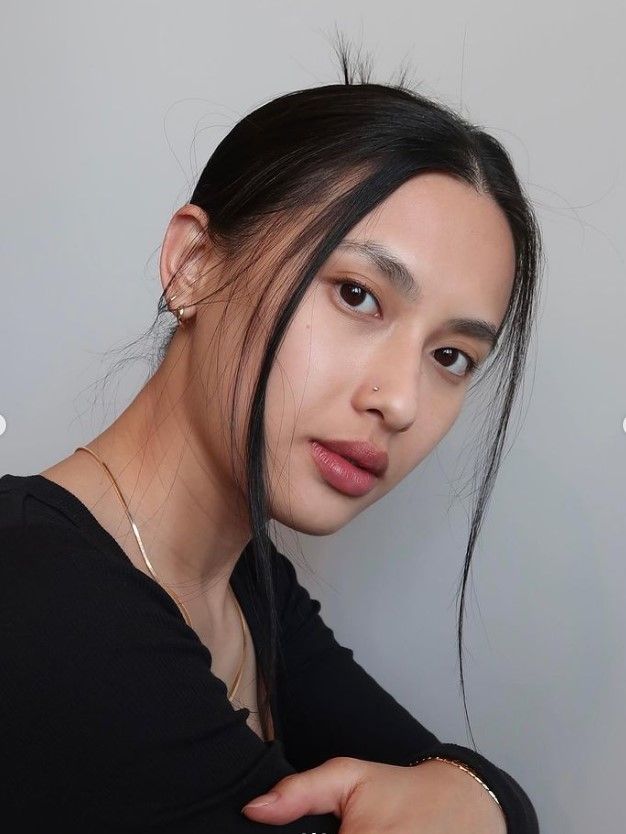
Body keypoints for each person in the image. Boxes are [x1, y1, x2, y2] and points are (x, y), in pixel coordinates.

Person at [0, 46, 542, 833]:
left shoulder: (246, 585)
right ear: (193, 265)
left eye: (451, 356)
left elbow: (454, 786)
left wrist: (482, 794)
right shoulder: (43, 600)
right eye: (356, 294)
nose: (400, 400)